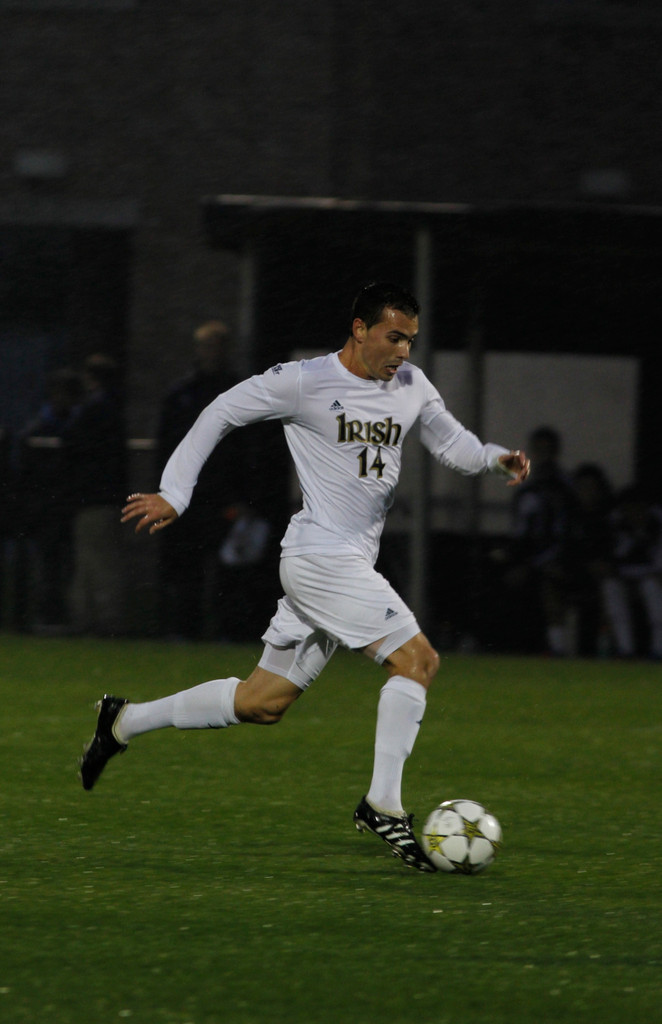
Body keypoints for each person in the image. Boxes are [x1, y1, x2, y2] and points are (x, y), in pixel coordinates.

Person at [80, 282, 530, 872]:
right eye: (394, 337)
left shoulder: (411, 385)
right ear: (360, 328)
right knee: (418, 661)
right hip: (321, 559)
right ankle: (383, 805)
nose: (403, 352)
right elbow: (219, 412)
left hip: (340, 564)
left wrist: (495, 458)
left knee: (262, 702)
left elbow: (452, 443)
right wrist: (175, 493)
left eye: (411, 341)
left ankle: (123, 720)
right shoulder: (304, 381)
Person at [155, 320, 251, 640]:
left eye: (217, 346)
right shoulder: (182, 393)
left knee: (228, 567)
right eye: (207, 346)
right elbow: (167, 445)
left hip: (222, 492)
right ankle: (187, 629)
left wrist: (243, 494)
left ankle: (228, 629)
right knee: (186, 565)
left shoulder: (239, 391)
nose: (211, 353)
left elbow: (246, 447)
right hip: (188, 492)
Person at [63, 354, 127, 636]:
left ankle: (99, 620)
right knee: (102, 561)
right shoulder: (114, 408)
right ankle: (100, 618)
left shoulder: (94, 409)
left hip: (92, 497)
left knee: (94, 563)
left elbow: (72, 441)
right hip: (108, 496)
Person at [503, 426, 577, 655]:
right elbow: (520, 533)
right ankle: (510, 646)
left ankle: (559, 649)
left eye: (548, 450)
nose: (543, 455)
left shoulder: (565, 490)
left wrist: (533, 565)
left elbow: (566, 535)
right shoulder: (527, 490)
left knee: (551, 586)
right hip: (532, 560)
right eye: (538, 450)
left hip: (561, 559)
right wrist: (518, 562)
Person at [601, 485, 662, 659]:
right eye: (629, 509)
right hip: (623, 578)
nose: (635, 513)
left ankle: (659, 650)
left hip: (652, 578)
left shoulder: (657, 524)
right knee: (610, 586)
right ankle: (625, 649)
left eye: (638, 508)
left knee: (652, 588)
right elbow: (613, 561)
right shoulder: (616, 525)